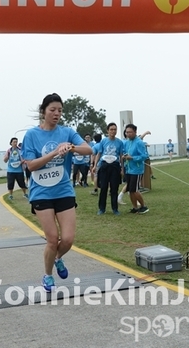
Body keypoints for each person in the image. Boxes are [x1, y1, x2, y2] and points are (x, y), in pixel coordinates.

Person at [22, 93, 92, 292]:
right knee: (52, 239)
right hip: (41, 193)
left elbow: (88, 150)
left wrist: (71, 147)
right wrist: (54, 153)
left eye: (60, 110)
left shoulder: (67, 132)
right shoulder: (32, 135)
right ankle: (47, 275)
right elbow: (31, 165)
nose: (56, 113)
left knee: (68, 239)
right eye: (52, 110)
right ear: (43, 111)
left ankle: (57, 258)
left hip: (63, 191)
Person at [95, 123, 125, 215]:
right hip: (104, 165)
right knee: (103, 187)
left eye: (115, 129)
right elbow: (99, 153)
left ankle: (115, 209)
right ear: (107, 131)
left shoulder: (119, 142)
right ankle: (102, 208)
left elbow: (121, 156)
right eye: (111, 129)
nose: (113, 131)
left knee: (114, 188)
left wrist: (122, 168)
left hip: (115, 166)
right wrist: (95, 165)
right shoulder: (103, 141)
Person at [123, 124, 149, 214]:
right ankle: (135, 207)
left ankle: (143, 206)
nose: (128, 134)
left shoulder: (139, 142)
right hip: (128, 169)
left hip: (137, 170)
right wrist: (124, 156)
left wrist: (132, 158)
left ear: (135, 132)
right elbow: (125, 152)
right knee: (130, 190)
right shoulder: (126, 142)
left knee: (135, 190)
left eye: (130, 132)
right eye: (127, 132)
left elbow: (144, 156)